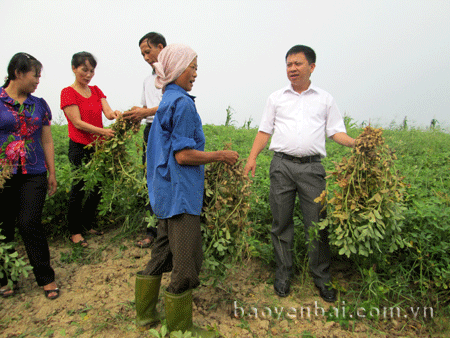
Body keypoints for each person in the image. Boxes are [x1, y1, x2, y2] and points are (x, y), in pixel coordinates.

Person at [135, 44, 238, 336]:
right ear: (177, 69)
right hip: (181, 194)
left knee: (162, 251)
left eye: (196, 67)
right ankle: (180, 328)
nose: (195, 73)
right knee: (185, 261)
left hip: (165, 193)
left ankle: (144, 315)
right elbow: (183, 155)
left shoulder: (168, 100)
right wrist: (221, 155)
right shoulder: (182, 104)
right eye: (191, 67)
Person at [244, 45, 355, 303]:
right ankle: (283, 274)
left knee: (316, 224)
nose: (292, 69)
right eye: (288, 64)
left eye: (298, 64)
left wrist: (355, 143)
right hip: (281, 165)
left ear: (312, 67)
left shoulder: (325, 99)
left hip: (312, 168)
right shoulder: (276, 98)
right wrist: (252, 158)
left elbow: (335, 131)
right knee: (281, 222)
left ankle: (322, 277)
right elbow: (264, 131)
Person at [0, 52, 59, 299]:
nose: (38, 80)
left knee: (29, 222)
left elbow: (46, 139)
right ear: (18, 73)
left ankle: (46, 277)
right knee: (4, 227)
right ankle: (6, 277)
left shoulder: (39, 104)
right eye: (35, 75)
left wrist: (52, 172)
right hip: (3, 174)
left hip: (34, 172)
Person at [60, 52, 120, 247]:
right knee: (78, 188)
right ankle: (75, 232)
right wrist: (103, 131)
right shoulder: (68, 92)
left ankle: (88, 224)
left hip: (98, 148)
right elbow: (77, 123)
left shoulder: (96, 91)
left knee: (97, 187)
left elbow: (109, 113)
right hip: (79, 146)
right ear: (74, 69)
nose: (88, 74)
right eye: (84, 70)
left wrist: (117, 114)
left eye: (91, 70)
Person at [123, 32, 166, 249]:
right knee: (150, 180)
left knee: (168, 178)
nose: (146, 57)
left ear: (160, 47)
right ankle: (151, 230)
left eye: (148, 51)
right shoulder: (148, 80)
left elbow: (172, 106)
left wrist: (144, 112)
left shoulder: (172, 76)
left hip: (167, 130)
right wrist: (131, 118)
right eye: (142, 54)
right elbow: (144, 109)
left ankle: (167, 231)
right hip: (151, 131)